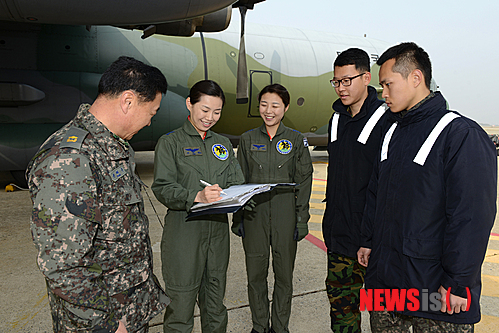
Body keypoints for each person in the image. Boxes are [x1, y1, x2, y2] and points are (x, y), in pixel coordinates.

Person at [357, 42, 497, 331]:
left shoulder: (459, 134)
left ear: (416, 78)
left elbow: (471, 217)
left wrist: (459, 282)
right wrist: (369, 241)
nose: (382, 93)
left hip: (435, 289)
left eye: (388, 84)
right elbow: (376, 192)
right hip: (386, 282)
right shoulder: (391, 132)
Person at [26, 56, 171, 333]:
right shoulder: (69, 160)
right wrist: (105, 323)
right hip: (100, 321)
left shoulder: (114, 146)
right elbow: (63, 263)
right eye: (151, 112)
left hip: (127, 310)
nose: (150, 122)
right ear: (128, 101)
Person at [151, 80, 245, 333]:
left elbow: (236, 180)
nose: (210, 117)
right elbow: (162, 188)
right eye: (204, 110)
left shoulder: (223, 145)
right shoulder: (170, 143)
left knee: (215, 305)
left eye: (217, 112)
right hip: (185, 233)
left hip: (217, 235)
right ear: (189, 104)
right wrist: (196, 196)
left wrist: (238, 194)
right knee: (181, 307)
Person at [232, 83, 313, 333]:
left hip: (285, 215)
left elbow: (304, 179)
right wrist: (239, 215)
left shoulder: (296, 140)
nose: (269, 111)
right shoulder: (247, 139)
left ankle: (279, 327)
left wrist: (301, 219)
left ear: (285, 108)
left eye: (275, 105)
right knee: (255, 276)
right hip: (254, 215)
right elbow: (239, 179)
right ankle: (259, 326)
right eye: (264, 105)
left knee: (284, 277)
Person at [322, 48, 387, 332]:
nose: (341, 88)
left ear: (366, 77)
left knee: (384, 317)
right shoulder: (336, 119)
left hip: (373, 243)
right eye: (336, 81)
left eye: (347, 80)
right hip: (339, 238)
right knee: (342, 315)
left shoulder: (387, 120)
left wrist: (372, 236)